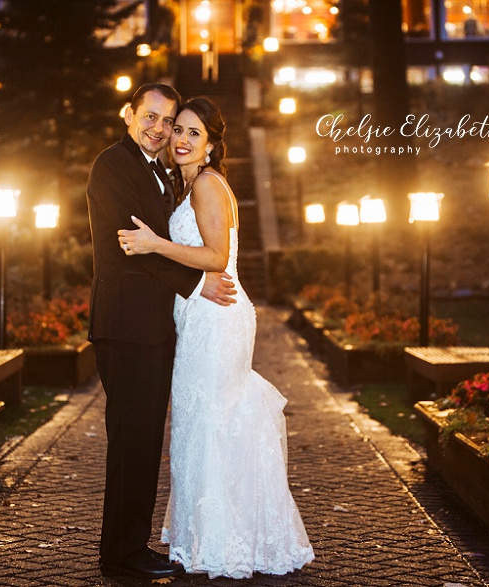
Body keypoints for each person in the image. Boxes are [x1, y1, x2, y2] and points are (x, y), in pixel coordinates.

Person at [118, 97, 315, 578]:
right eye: (178, 130)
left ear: (210, 145)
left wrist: (153, 243)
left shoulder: (207, 185)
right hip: (199, 315)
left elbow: (215, 256)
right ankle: (210, 538)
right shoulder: (184, 187)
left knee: (208, 424)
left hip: (217, 315)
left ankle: (224, 545)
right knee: (199, 424)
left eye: (193, 133)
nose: (181, 139)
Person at [85, 83, 237, 580]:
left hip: (151, 326)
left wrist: (194, 282)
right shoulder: (114, 166)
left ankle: (130, 544)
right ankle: (122, 554)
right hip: (127, 325)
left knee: (144, 438)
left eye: (168, 122)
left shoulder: (166, 175)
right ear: (128, 115)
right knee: (133, 438)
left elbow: (159, 243)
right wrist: (198, 282)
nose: (160, 129)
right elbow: (135, 246)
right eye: (150, 117)